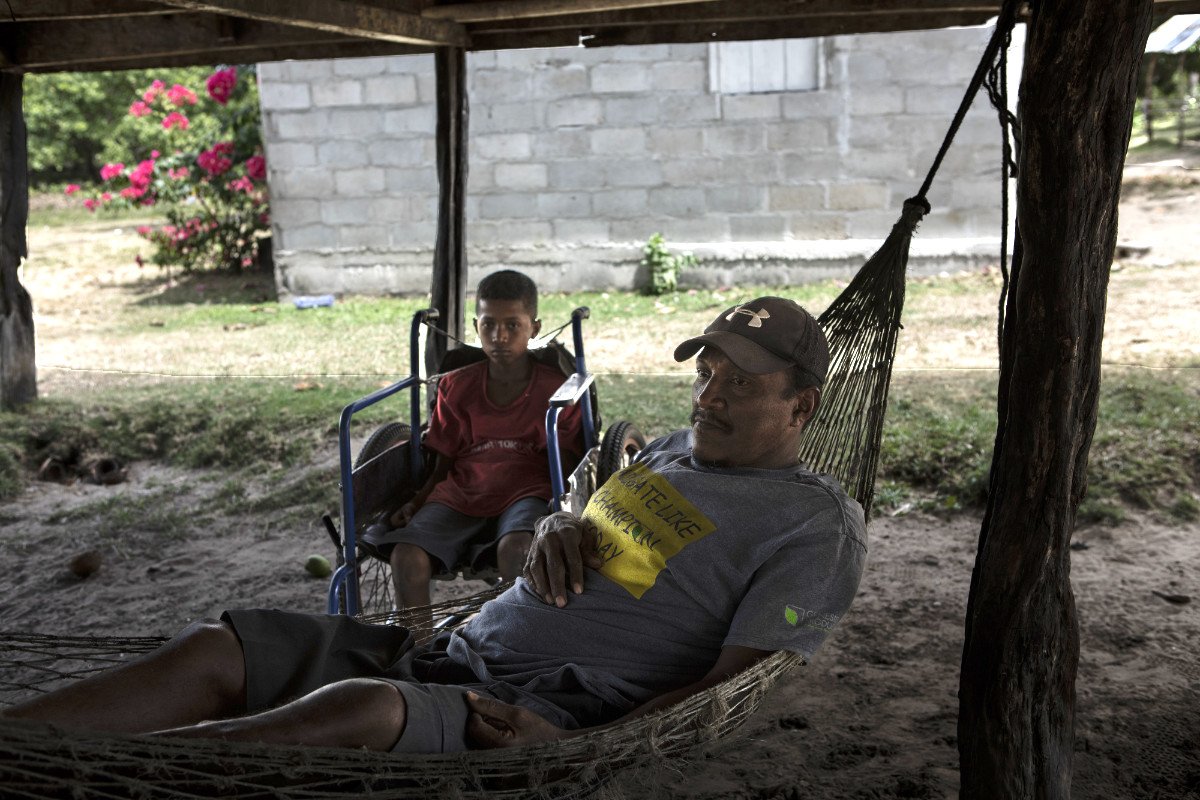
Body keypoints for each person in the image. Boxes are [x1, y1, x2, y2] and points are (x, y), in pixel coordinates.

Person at [2, 296, 866, 756]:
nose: (710, 395)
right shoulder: (673, 449)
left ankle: (109, 777)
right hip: (447, 649)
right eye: (706, 371)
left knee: (357, 711)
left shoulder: (813, 527)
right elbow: (584, 504)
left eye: (741, 384)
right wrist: (561, 520)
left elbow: (730, 688)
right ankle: (20, 749)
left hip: (534, 706)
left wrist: (578, 742)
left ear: (803, 406)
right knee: (215, 649)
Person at [364, 269, 582, 620]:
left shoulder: (556, 389)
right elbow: (444, 459)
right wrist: (418, 501)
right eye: (488, 324)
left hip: (526, 490)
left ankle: (514, 640)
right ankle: (417, 647)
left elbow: (569, 462)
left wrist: (566, 510)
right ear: (475, 326)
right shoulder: (456, 386)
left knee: (518, 551)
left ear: (534, 328)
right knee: (406, 556)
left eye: (513, 325)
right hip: (462, 490)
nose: (499, 336)